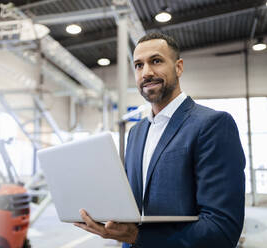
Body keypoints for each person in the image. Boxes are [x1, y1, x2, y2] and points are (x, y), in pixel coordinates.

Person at [74, 33, 245, 248]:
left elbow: (221, 229)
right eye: (138, 65)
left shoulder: (212, 125)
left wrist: (137, 237)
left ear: (179, 67)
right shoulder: (136, 133)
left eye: (156, 61)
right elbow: (132, 212)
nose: (146, 72)